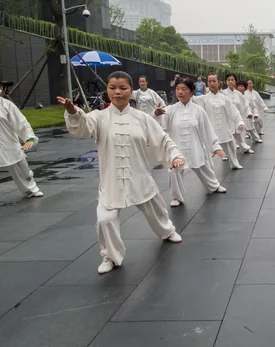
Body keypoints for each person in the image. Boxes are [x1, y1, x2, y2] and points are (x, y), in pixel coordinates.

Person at [58, 71, 184, 275]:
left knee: (155, 208)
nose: (118, 92)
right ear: (107, 90)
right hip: (111, 180)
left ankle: (167, 230)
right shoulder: (99, 117)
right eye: (112, 88)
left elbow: (162, 139)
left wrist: (175, 156)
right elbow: (81, 128)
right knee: (105, 219)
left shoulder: (142, 118)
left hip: (139, 175)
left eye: (123, 88)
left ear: (130, 91)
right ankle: (110, 255)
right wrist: (74, 112)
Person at [155, 76, 226, 207]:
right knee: (174, 171)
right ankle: (176, 196)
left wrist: (215, 147)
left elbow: (207, 130)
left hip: (194, 146)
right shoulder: (170, 110)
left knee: (203, 166)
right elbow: (162, 127)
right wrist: (157, 114)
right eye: (177, 89)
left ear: (191, 92)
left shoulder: (199, 110)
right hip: (177, 148)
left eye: (184, 89)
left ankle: (214, 186)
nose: (180, 92)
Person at [192, 72, 245, 170]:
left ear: (218, 82)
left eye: (214, 81)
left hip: (224, 128)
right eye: (209, 81)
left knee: (231, 146)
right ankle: (207, 169)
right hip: (210, 130)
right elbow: (192, 100)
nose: (212, 83)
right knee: (206, 150)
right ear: (207, 83)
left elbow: (234, 111)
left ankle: (234, 163)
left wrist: (240, 122)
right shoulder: (203, 99)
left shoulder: (224, 98)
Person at [0, 96, 44, 199]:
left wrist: (29, 138)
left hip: (8, 141)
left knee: (21, 165)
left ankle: (31, 189)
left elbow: (22, 122)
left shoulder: (6, 105)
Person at [222, 73, 255, 154]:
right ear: (226, 82)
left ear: (235, 82)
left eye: (232, 80)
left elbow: (245, 105)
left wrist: (248, 113)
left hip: (237, 118)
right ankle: (227, 154)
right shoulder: (223, 93)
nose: (230, 82)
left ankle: (245, 148)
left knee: (240, 136)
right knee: (227, 138)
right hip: (227, 119)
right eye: (228, 80)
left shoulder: (238, 94)